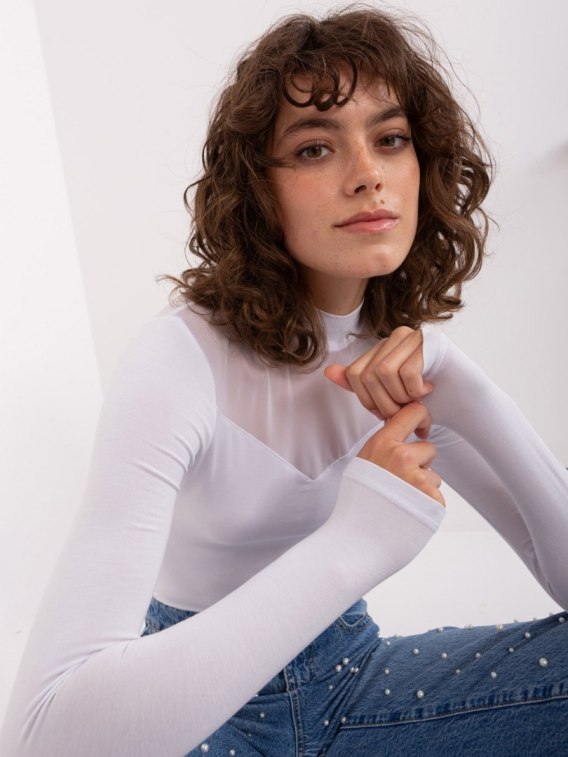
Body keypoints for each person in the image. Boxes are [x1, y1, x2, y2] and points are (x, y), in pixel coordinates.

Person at [1, 6, 567, 756]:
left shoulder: (404, 362)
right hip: (191, 707)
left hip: (355, 682)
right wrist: (359, 539)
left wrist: (464, 386)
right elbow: (48, 735)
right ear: (257, 188)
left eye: (390, 139)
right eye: (314, 148)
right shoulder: (178, 360)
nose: (367, 174)